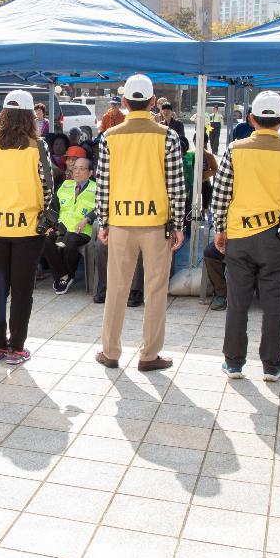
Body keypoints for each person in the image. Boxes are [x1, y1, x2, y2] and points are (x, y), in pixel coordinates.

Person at [210, 92, 280, 381]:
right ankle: (272, 365)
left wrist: (221, 228)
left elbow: (221, 195)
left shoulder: (234, 149)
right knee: (273, 302)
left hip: (239, 235)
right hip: (275, 237)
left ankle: (233, 362)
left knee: (238, 300)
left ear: (252, 119)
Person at [94, 74, 185, 372]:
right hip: (157, 223)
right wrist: (178, 224)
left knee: (117, 288)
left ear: (124, 103)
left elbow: (103, 184)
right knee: (155, 290)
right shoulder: (168, 136)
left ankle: (110, 351)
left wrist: (103, 222)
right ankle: (149, 355)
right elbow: (176, 186)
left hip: (120, 221)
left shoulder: (110, 136)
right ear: (152, 102)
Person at [0, 90, 54, 365]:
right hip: (28, 226)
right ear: (30, 116)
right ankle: (17, 348)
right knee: (22, 290)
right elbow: (47, 187)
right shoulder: (37, 146)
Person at [43, 156, 97, 294]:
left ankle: (67, 276)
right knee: (45, 240)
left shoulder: (96, 188)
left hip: (83, 229)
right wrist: (49, 224)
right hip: (62, 227)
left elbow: (101, 208)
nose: (77, 172)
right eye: (75, 168)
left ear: (90, 173)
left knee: (70, 242)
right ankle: (63, 275)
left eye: (82, 169)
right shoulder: (65, 185)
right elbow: (54, 207)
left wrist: (87, 219)